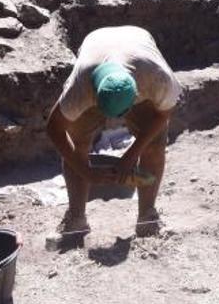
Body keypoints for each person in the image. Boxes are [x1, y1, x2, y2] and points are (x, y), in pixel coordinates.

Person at [47, 26, 182, 240]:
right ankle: (76, 220)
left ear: (136, 94)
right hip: (96, 42)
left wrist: (131, 155)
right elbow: (54, 127)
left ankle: (148, 219)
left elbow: (165, 113)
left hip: (138, 43)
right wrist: (84, 170)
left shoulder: (157, 78)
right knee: (77, 144)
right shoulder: (80, 88)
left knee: (154, 144)